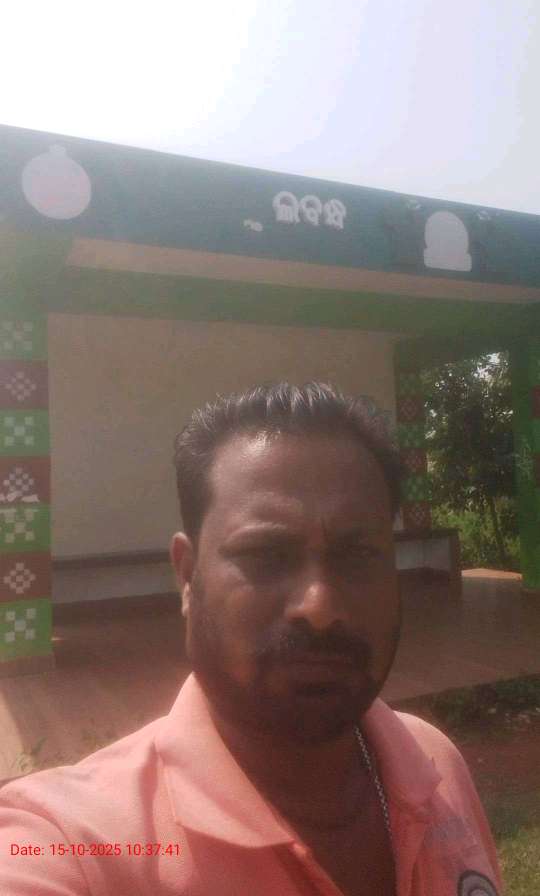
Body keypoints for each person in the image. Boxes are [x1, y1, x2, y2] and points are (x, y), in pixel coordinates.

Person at [0, 382, 502, 896]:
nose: (320, 606)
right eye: (265, 555)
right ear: (188, 575)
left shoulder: (433, 763)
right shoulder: (74, 843)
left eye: (357, 555)